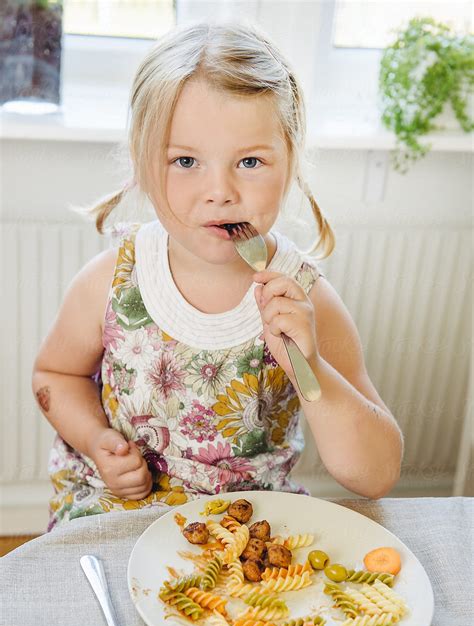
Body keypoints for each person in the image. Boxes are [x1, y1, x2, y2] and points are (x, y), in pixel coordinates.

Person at [32, 21, 403, 531]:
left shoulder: (307, 297)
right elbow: (55, 375)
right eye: (185, 160)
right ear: (143, 165)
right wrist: (96, 439)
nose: (220, 191)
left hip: (244, 534)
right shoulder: (115, 278)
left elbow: (374, 475)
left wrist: (308, 364)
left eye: (249, 161)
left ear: (290, 163)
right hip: (118, 513)